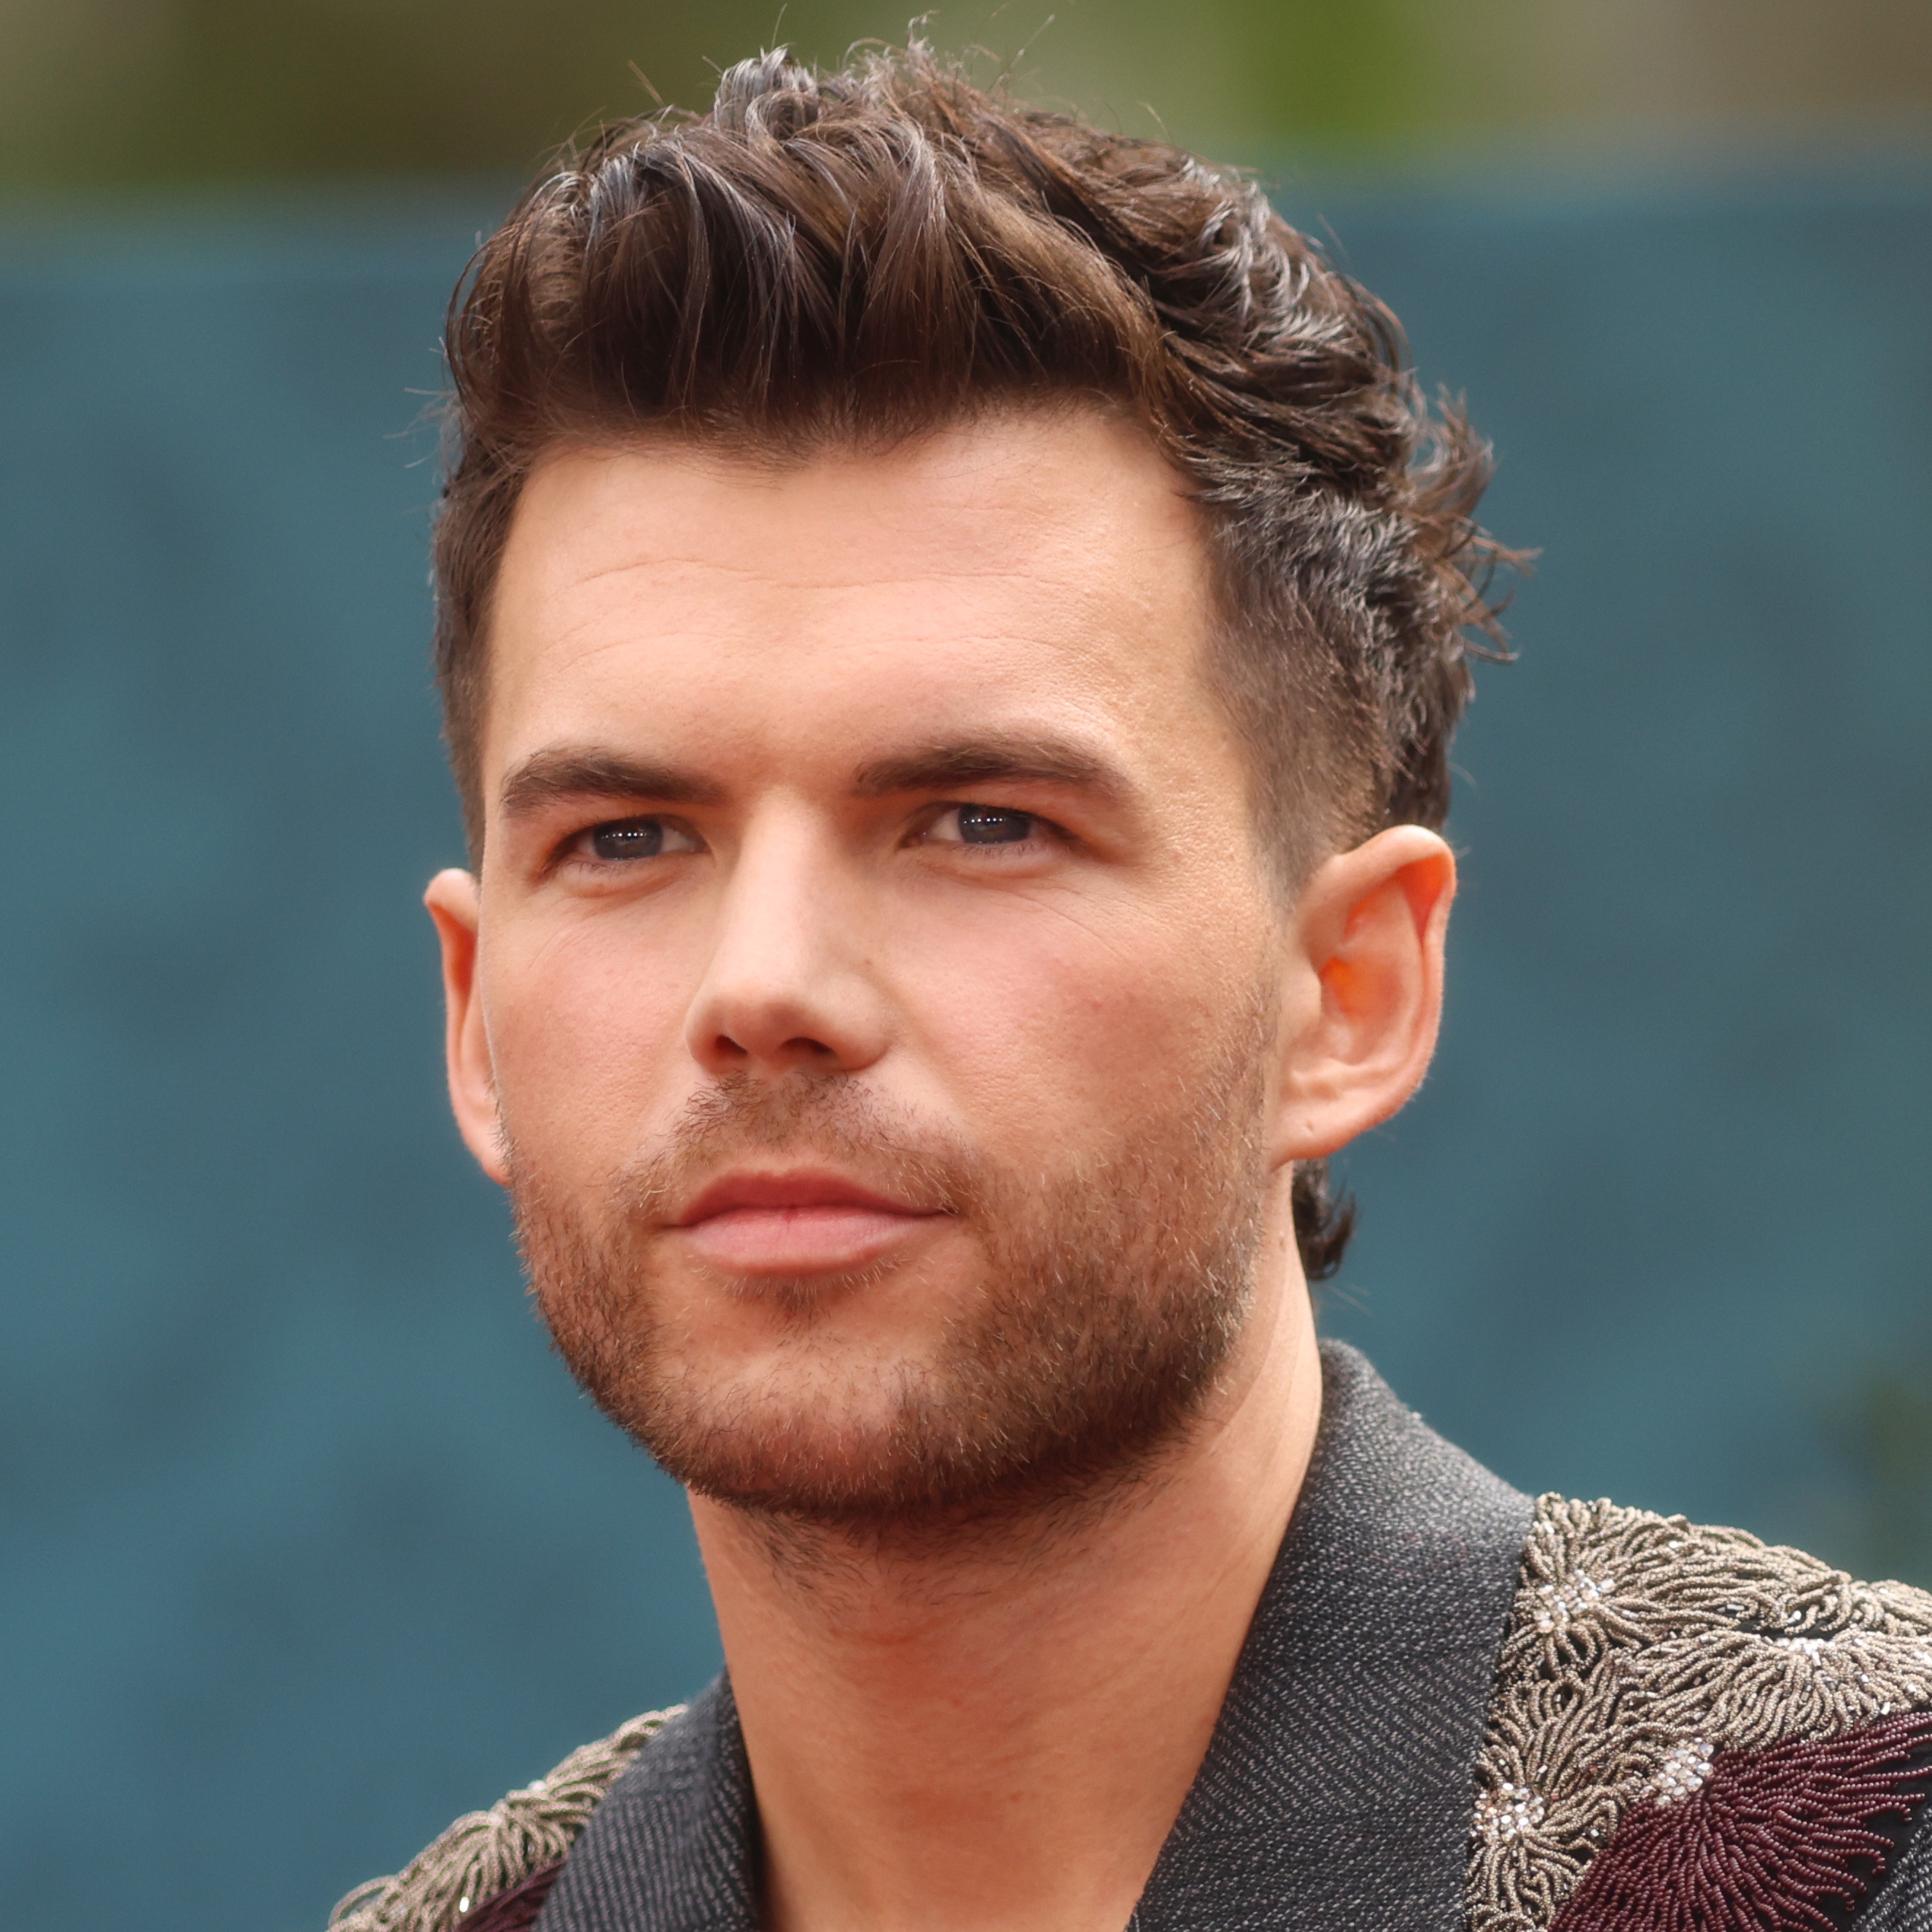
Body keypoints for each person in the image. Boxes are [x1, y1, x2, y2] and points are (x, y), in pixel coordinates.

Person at [330, 45, 1932, 1932]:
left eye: (979, 822)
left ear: (1347, 988)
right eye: (623, 838)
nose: (762, 986)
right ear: (475, 1016)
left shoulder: (1850, 1853)